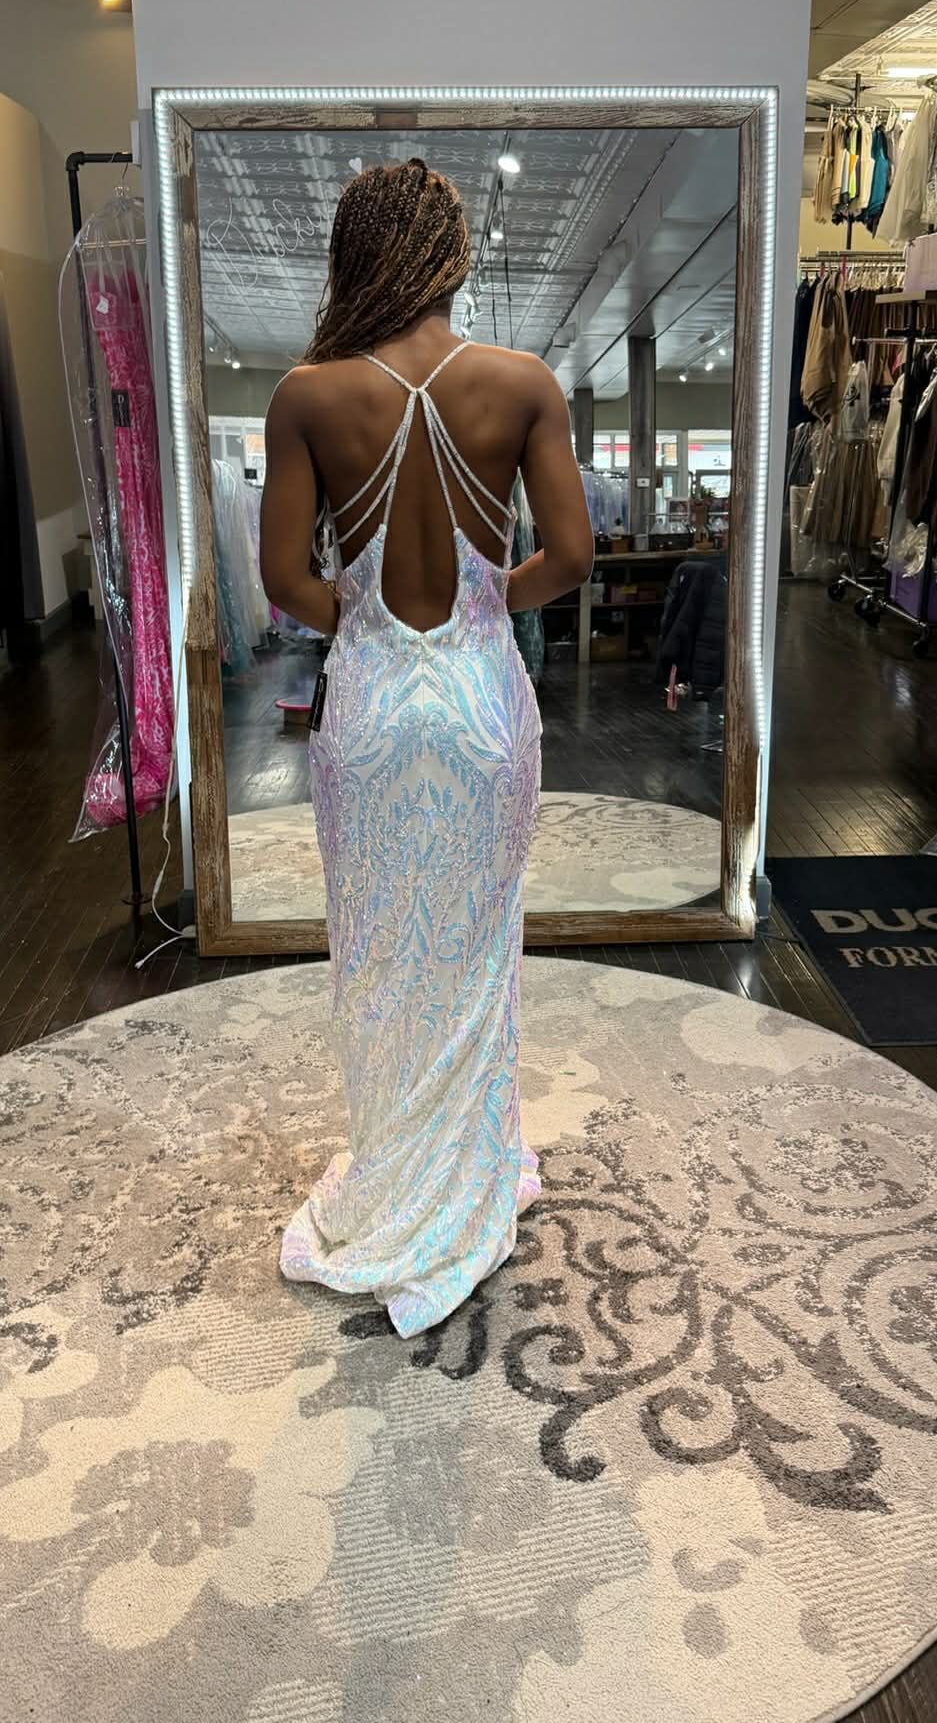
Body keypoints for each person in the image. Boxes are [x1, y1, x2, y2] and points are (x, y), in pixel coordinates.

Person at [259, 157, 594, 1337]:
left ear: (354, 254)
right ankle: (464, 1176)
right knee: (475, 946)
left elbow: (284, 579)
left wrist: (361, 617)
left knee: (378, 949)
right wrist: (490, 599)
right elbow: (573, 556)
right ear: (452, 255)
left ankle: (398, 1169)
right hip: (480, 698)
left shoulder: (306, 395)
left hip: (370, 704)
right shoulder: (522, 383)